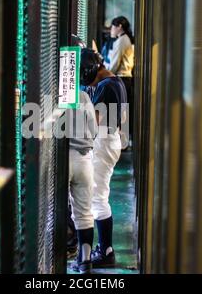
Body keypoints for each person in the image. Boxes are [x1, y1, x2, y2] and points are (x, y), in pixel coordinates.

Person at [79, 48, 127, 269]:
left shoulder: (107, 87)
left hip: (104, 142)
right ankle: (104, 249)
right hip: (109, 141)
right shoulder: (113, 82)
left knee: (97, 198)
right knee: (97, 196)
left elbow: (94, 122)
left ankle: (107, 251)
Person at [66, 54, 98, 274]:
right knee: (85, 211)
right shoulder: (84, 96)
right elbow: (94, 131)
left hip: (64, 158)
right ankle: (85, 261)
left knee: (56, 207)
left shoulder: (55, 97)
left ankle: (61, 249)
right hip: (85, 158)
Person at [104, 16, 134, 141]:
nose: (111, 29)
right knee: (123, 111)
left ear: (119, 27)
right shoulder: (125, 39)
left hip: (121, 78)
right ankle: (124, 141)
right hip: (125, 79)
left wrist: (105, 74)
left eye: (113, 26)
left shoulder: (122, 40)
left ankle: (121, 142)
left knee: (119, 111)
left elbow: (115, 64)